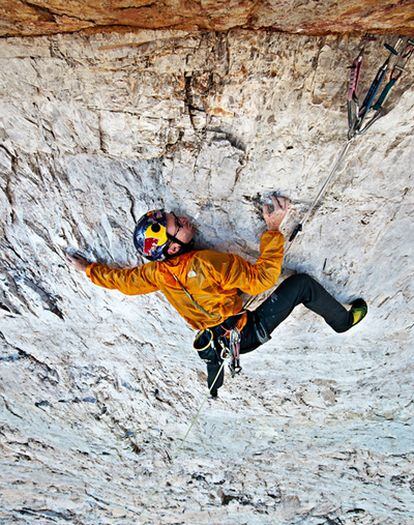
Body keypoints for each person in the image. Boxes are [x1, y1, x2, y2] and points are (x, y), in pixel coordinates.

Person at [67, 197, 367, 397]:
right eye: (179, 225)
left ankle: (216, 368)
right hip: (246, 332)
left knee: (218, 343)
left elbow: (121, 281)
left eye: (176, 218)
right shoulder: (207, 263)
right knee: (302, 285)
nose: (184, 219)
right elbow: (263, 279)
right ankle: (343, 321)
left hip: (215, 338)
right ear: (172, 247)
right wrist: (274, 229)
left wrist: (88, 269)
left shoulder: (156, 273)